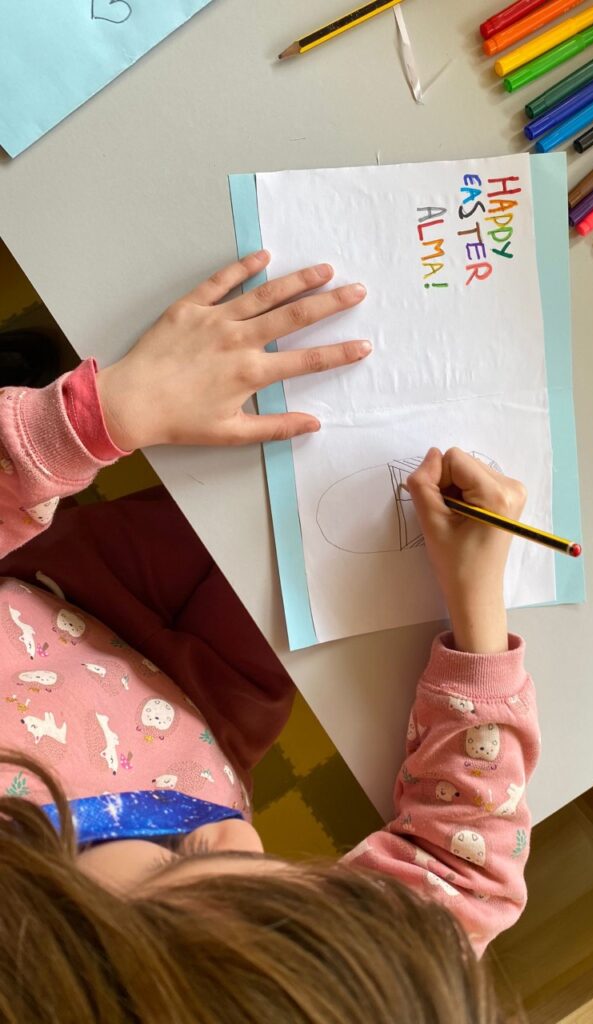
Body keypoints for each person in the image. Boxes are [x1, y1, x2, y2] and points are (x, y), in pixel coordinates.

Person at [0, 252, 538, 1023]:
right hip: (213, 705)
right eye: (304, 872)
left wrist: (90, 419)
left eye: (171, 863)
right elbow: (465, 878)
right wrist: (480, 618)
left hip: (44, 593)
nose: (234, 837)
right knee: (272, 502)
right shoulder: (349, 985)